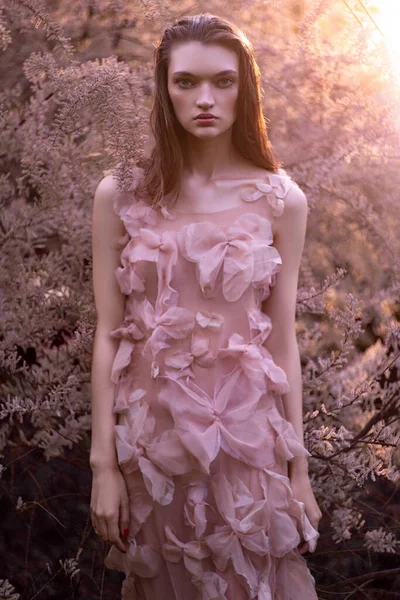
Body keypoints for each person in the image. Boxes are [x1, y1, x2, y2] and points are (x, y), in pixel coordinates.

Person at [90, 12, 322, 600]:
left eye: (223, 81)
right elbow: (108, 333)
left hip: (248, 450)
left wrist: (298, 469)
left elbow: (281, 340)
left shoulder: (280, 199)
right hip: (154, 451)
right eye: (185, 82)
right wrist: (103, 467)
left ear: (246, 87)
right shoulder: (121, 193)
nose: (205, 99)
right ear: (163, 88)